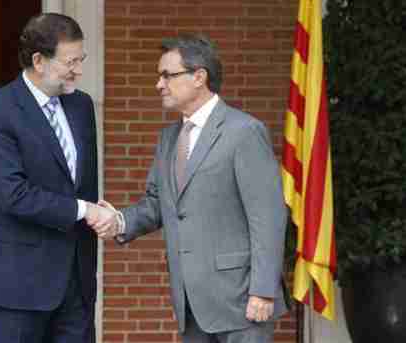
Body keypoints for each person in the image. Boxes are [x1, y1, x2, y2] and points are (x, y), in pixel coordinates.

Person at [92, 34, 288, 343]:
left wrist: (263, 291)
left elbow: (268, 217)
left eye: (167, 75)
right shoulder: (169, 138)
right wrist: (119, 221)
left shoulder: (244, 132)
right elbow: (158, 203)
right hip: (190, 302)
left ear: (199, 77)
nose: (159, 84)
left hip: (241, 302)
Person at [0, 13, 113, 343]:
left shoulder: (81, 105)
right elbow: (13, 194)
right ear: (39, 60)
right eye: (71, 61)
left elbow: (83, 184)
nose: (79, 70)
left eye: (81, 59)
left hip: (76, 285)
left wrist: (98, 211)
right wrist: (85, 210)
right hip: (18, 285)